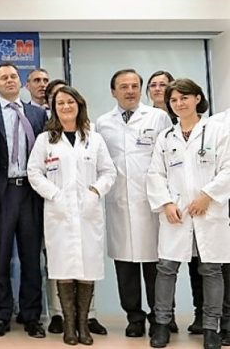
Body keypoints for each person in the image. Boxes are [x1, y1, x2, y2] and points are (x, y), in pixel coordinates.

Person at [27, 86, 116, 345]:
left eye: (70, 102)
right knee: (63, 267)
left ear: (79, 105)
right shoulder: (46, 140)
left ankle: (83, 326)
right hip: (58, 212)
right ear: (54, 108)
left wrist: (95, 191)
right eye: (60, 103)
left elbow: (108, 172)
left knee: (87, 268)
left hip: (88, 211)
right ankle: (68, 326)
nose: (65, 107)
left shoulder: (94, 138)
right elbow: (34, 172)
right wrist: (54, 194)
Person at [147, 78, 230, 349]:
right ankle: (161, 326)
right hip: (177, 213)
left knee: (211, 268)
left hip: (209, 212)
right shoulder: (166, 137)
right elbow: (155, 174)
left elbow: (228, 169)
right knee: (166, 268)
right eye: (173, 100)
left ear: (197, 98)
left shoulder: (218, 131)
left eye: (184, 97)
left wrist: (207, 195)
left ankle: (211, 328)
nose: (179, 103)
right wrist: (166, 203)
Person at [95, 69, 173, 337]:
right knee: (125, 267)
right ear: (113, 91)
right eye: (123, 86)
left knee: (156, 266)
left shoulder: (158, 117)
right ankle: (134, 318)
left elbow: (167, 159)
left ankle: (161, 316)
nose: (130, 91)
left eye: (134, 86)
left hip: (151, 203)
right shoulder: (103, 123)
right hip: (119, 202)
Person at [0, 62, 48, 338]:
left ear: (20, 81)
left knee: (31, 256)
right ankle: (1, 314)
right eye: (3, 77)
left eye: (13, 76)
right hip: (1, 193)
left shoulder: (37, 114)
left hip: (31, 192)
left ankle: (31, 315)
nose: (9, 81)